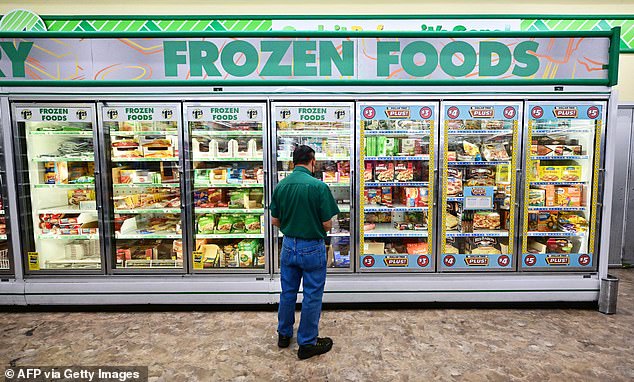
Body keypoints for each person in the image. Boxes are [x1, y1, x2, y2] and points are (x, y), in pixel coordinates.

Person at [270, 145, 340, 360]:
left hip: (289, 245)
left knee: (287, 292)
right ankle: (307, 343)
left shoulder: (281, 185)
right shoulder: (318, 186)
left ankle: (284, 335)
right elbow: (328, 224)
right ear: (313, 161)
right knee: (311, 295)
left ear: (293, 162)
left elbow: (275, 220)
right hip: (312, 247)